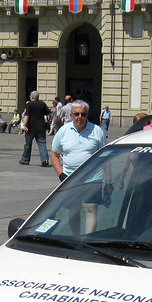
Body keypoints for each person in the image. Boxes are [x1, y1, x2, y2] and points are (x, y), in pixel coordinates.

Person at [50, 99, 110, 233]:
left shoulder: (97, 131)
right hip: (70, 177)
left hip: (93, 177)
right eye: (76, 114)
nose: (80, 117)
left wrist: (109, 180)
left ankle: (87, 238)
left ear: (87, 115)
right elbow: (54, 154)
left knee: (91, 207)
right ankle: (77, 236)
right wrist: (61, 174)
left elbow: (105, 156)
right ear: (71, 115)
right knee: (73, 210)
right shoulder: (63, 131)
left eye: (83, 114)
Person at [19, 90, 52, 167]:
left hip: (30, 127)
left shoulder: (29, 104)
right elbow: (49, 114)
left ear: (32, 97)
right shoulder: (42, 104)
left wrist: (24, 125)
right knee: (42, 143)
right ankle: (45, 160)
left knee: (28, 144)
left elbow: (27, 115)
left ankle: (25, 160)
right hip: (41, 127)